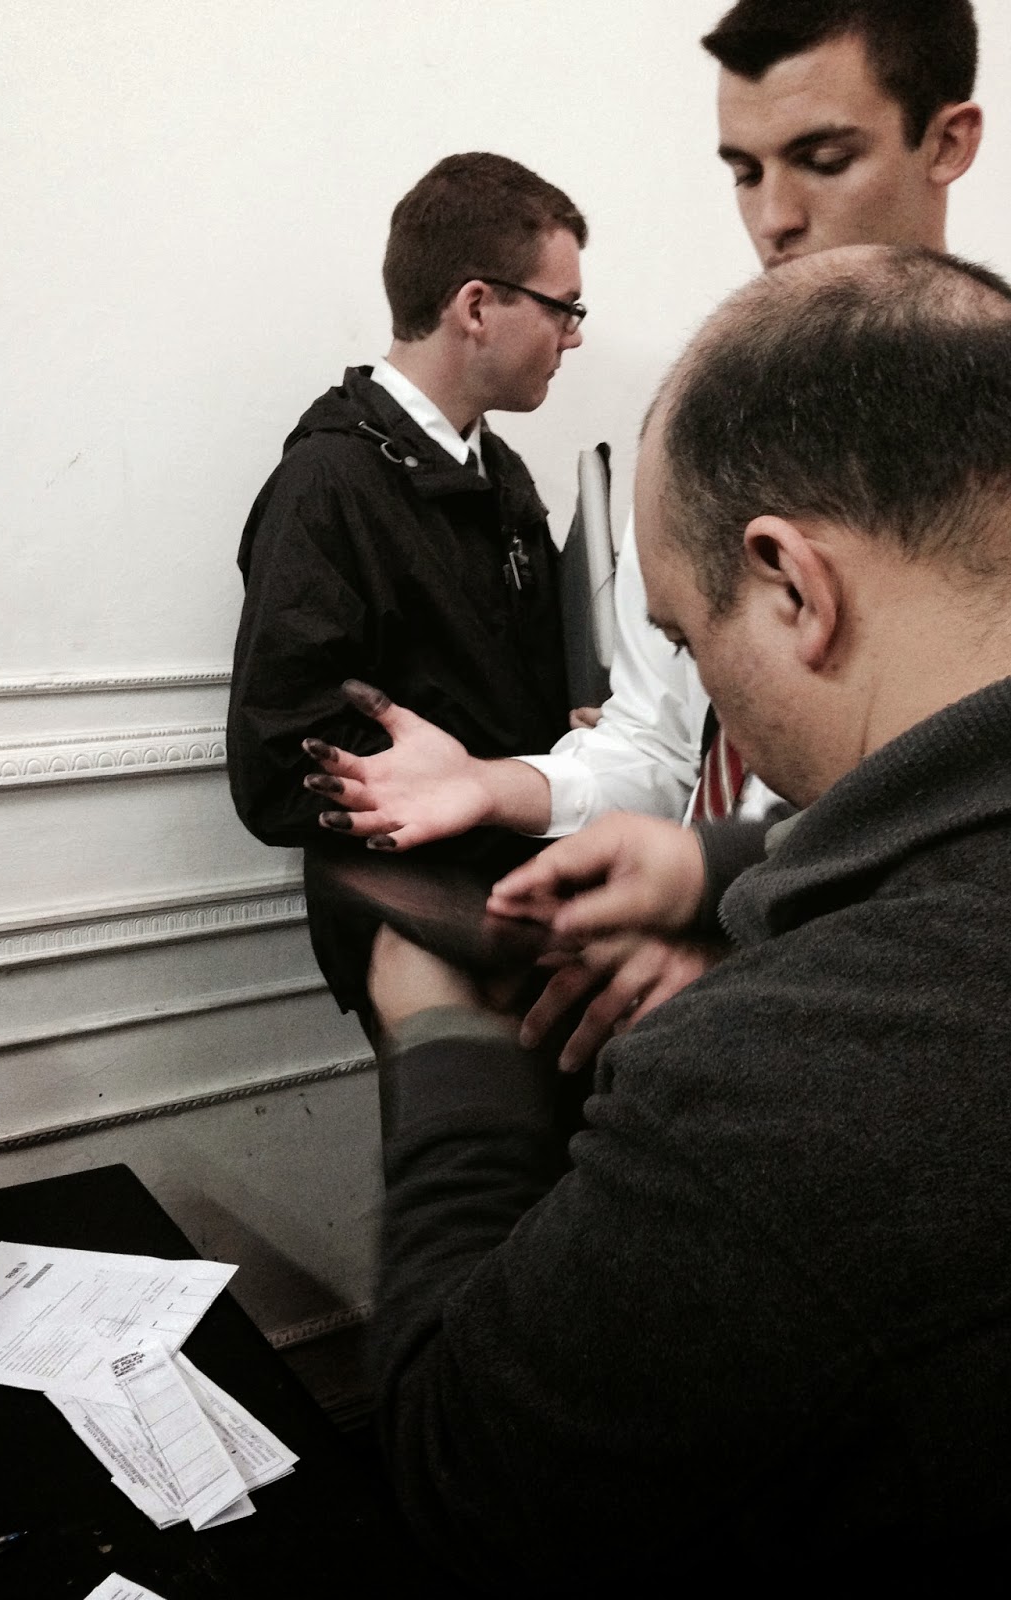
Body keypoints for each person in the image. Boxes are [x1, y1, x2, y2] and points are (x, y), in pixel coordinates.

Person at [366, 244, 1011, 1591]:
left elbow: (459, 1483)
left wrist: (446, 1050)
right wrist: (716, 866)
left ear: (794, 588)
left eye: (685, 635)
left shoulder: (789, 1087)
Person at [303, 0, 983, 1054]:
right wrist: (492, 785)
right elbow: (656, 744)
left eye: (824, 159)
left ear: (947, 142)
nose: (774, 218)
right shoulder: (697, 437)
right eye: (745, 172)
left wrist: (738, 919)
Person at [227, 152, 587, 1019]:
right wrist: (477, 779)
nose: (574, 336)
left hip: (535, 888)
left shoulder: (502, 473)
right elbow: (276, 764)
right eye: (563, 308)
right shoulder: (325, 484)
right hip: (423, 921)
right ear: (476, 307)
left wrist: (582, 726)